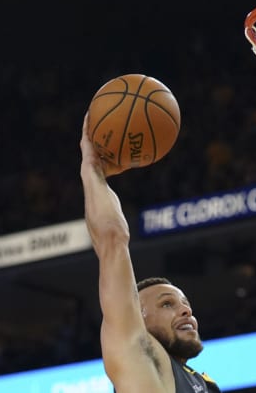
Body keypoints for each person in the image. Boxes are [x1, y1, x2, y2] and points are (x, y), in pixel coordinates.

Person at [79, 114, 220, 393]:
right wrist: (93, 170)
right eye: (167, 304)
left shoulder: (203, 384)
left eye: (184, 303)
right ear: (137, 318)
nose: (185, 309)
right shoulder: (142, 357)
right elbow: (112, 240)